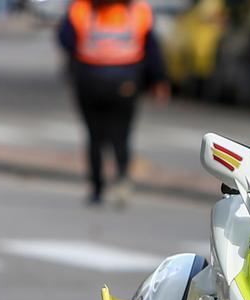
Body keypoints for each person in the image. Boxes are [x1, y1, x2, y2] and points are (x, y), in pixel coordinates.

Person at [57, 0, 171, 207]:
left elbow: (65, 39)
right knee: (121, 134)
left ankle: (97, 188)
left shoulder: (81, 8)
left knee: (94, 136)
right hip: (126, 80)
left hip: (89, 78)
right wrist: (159, 80)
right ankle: (122, 181)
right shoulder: (138, 10)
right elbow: (152, 49)